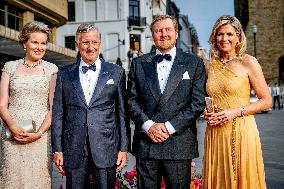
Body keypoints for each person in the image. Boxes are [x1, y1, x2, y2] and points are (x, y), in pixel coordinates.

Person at [127, 15, 206, 189]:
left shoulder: (194, 63)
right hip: (147, 143)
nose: (163, 34)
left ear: (176, 33)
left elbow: (198, 103)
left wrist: (169, 127)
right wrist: (149, 126)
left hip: (179, 143)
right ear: (152, 35)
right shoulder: (138, 63)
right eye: (158, 30)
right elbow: (131, 101)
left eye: (168, 30)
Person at [51, 23, 130, 189]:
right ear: (77, 44)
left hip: (106, 147)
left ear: (100, 43)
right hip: (73, 147)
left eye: (94, 42)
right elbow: (58, 113)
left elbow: (122, 114)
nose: (91, 47)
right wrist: (57, 149)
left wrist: (124, 148)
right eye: (86, 42)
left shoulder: (116, 72)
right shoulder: (64, 73)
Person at [203, 15, 272, 189]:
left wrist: (235, 111)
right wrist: (205, 111)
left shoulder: (248, 62)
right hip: (216, 133)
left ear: (238, 37)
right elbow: (208, 96)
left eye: (229, 34)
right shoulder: (209, 65)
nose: (224, 38)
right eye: (220, 34)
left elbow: (267, 101)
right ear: (214, 37)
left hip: (241, 131)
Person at [0, 21, 58, 188]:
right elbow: (2, 104)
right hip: (11, 136)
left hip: (40, 137)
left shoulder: (51, 69)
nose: (39, 47)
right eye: (34, 42)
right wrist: (12, 126)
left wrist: (39, 133)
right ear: (24, 43)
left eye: (43, 43)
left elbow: (54, 108)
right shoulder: (10, 67)